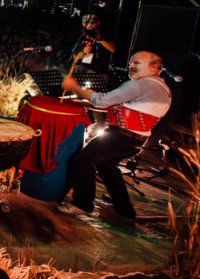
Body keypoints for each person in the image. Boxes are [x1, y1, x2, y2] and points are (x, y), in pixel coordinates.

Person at [57, 51, 171, 221]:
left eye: (137, 63)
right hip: (134, 140)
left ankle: (82, 204)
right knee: (107, 167)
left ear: (154, 67)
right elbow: (126, 109)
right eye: (131, 63)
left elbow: (103, 100)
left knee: (82, 160)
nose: (131, 67)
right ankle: (125, 210)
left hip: (121, 137)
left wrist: (74, 87)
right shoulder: (163, 88)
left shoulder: (142, 85)